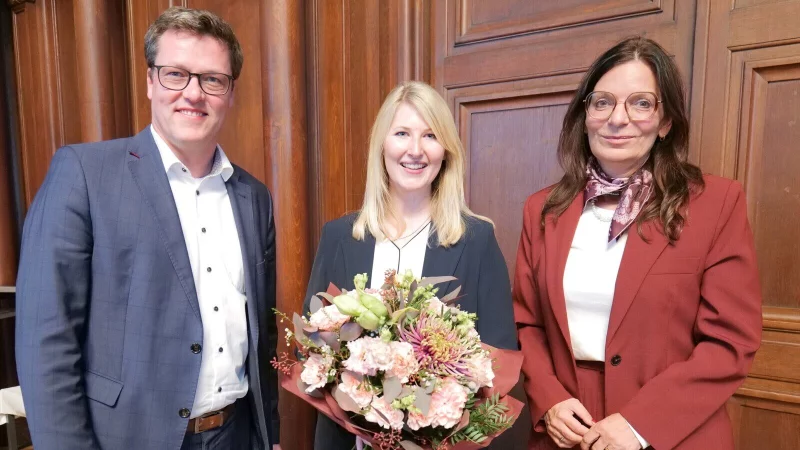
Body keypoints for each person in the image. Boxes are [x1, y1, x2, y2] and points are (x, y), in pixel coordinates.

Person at [15, 7, 280, 450]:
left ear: (230, 92)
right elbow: (47, 341)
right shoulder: (84, 174)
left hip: (235, 434)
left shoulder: (253, 196)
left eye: (212, 79)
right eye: (176, 74)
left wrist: (268, 434)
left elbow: (261, 335)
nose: (193, 93)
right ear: (151, 81)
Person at [513, 36, 762, 450]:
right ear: (586, 115)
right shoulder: (542, 210)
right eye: (603, 102)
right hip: (567, 432)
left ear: (666, 122)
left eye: (641, 103)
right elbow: (528, 323)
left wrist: (640, 424)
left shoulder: (716, 203)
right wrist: (550, 400)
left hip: (673, 432)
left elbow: (730, 342)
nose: (618, 118)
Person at [303, 81, 519, 450]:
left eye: (431, 136)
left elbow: (497, 363)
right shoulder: (339, 236)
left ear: (446, 151)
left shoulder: (477, 239)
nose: (415, 150)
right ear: (382, 145)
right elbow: (312, 347)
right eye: (402, 133)